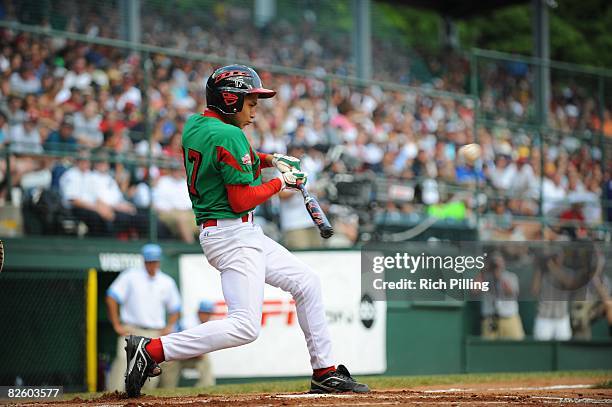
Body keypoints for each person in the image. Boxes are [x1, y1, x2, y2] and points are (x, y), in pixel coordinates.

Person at [123, 65, 369, 397]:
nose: (254, 110)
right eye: (250, 102)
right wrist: (281, 180)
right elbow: (241, 199)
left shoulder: (197, 124)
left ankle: (324, 370)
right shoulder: (230, 134)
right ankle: (152, 350)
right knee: (244, 327)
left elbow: (237, 158)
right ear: (229, 100)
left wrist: (271, 159)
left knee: (307, 282)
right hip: (231, 233)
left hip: (236, 233)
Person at [106, 243, 181, 391]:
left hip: (154, 332)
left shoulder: (166, 281)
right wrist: (116, 324)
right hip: (131, 329)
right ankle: (111, 398)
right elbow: (111, 297)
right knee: (123, 361)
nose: (152, 265)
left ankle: (141, 401)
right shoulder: (130, 276)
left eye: (154, 261)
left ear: (159, 261)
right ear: (144, 261)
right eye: (149, 261)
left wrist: (169, 327)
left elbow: (176, 308)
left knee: (149, 372)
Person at [159, 300, 217, 388]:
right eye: (204, 313)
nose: (207, 316)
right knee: (168, 386)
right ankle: (166, 392)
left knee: (204, 360)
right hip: (173, 356)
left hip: (187, 356)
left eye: (209, 313)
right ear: (199, 312)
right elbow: (184, 345)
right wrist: (198, 352)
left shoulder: (207, 324)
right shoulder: (189, 323)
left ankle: (206, 387)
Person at [475, 252, 524, 340]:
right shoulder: (484, 277)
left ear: (504, 263)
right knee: (488, 347)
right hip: (490, 319)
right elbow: (474, 290)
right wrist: (483, 271)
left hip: (509, 317)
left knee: (517, 345)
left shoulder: (510, 276)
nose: (496, 265)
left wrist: (499, 275)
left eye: (499, 262)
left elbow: (510, 292)